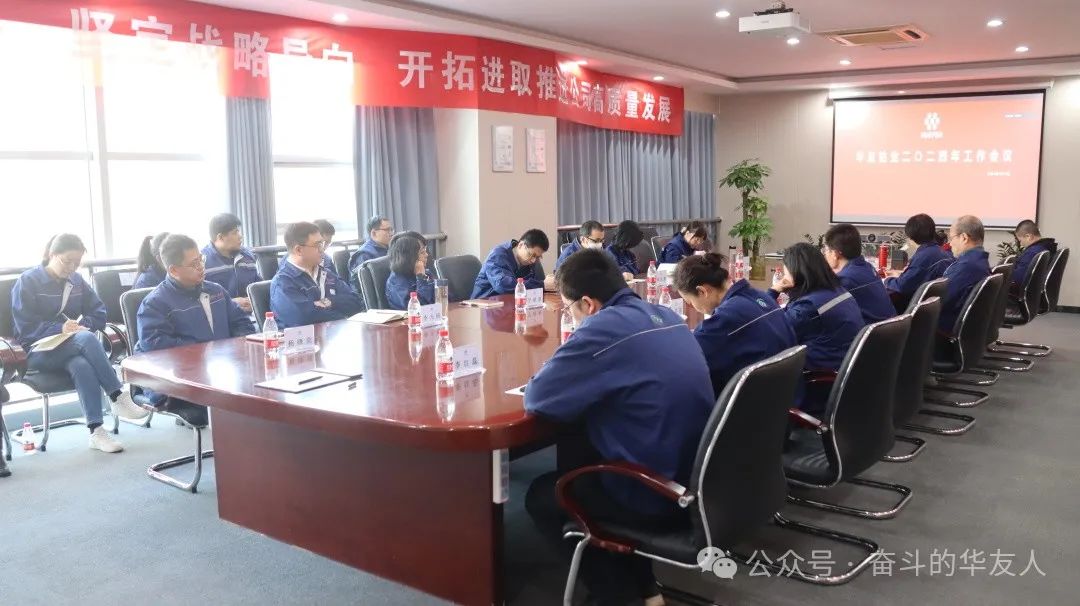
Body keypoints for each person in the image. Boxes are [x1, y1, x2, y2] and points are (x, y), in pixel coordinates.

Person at [523, 249, 713, 606]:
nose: (570, 316)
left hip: (654, 494)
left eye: (569, 309)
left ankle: (619, 596)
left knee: (543, 495)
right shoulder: (665, 315)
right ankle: (647, 588)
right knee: (586, 449)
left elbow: (538, 397)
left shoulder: (602, 329)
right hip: (696, 482)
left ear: (588, 304)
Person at [11, 234, 148, 453]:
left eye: (77, 263)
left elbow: (99, 311)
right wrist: (60, 329)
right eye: (67, 261)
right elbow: (25, 329)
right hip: (35, 352)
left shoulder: (75, 281)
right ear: (52, 254)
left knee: (81, 364)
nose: (72, 268)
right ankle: (117, 395)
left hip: (69, 346)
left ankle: (96, 432)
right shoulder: (28, 281)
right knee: (86, 339)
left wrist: (82, 325)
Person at [136, 235, 256, 425]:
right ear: (173, 270)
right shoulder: (155, 303)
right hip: (181, 382)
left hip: (221, 371)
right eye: (194, 264)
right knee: (236, 404)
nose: (201, 267)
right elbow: (157, 349)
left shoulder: (216, 290)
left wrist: (234, 349)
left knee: (260, 392)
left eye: (201, 259)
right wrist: (209, 351)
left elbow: (242, 324)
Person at [675, 253, 797, 398]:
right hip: (784, 396)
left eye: (689, 302)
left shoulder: (723, 322)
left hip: (755, 403)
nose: (692, 307)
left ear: (702, 291)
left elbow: (685, 361)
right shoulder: (761, 296)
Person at [771, 242, 865, 415]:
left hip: (819, 382)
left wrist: (773, 291)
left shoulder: (807, 307)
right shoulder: (837, 290)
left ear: (796, 272)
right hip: (846, 374)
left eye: (785, 270)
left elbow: (771, 330)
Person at [270, 222, 364, 328]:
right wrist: (342, 316)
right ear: (299, 250)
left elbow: (356, 303)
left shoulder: (326, 273)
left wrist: (329, 302)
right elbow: (305, 319)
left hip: (333, 333)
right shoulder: (283, 282)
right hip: (304, 338)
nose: (322, 249)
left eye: (322, 244)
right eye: (317, 245)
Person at [823, 224, 896, 324]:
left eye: (826, 250)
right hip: (890, 328)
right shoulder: (868, 267)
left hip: (870, 331)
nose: (825, 254)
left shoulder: (845, 279)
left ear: (835, 254)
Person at [883, 214, 954, 309]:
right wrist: (901, 275)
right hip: (935, 309)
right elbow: (915, 276)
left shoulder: (924, 257)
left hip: (913, 309)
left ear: (910, 237)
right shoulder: (941, 252)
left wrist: (887, 280)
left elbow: (902, 286)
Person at [939, 216, 991, 333]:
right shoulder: (979, 260)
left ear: (964, 238)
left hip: (944, 328)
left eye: (951, 238)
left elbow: (940, 300)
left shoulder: (967, 267)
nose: (949, 244)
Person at [470, 229, 556, 299]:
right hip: (483, 306)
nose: (534, 260)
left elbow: (534, 286)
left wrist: (550, 284)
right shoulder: (498, 255)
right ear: (521, 245)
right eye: (532, 255)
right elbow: (503, 286)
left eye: (537, 257)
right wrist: (542, 285)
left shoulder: (529, 262)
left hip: (511, 307)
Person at [201, 213, 259, 314]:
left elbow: (257, 286)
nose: (240, 236)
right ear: (220, 237)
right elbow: (198, 300)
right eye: (235, 232)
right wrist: (230, 303)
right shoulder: (202, 262)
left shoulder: (247, 256)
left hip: (251, 316)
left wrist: (255, 300)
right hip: (221, 317)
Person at [385, 234, 435, 310]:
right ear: (408, 257)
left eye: (425, 250)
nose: (427, 255)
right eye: (422, 252)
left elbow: (442, 297)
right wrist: (421, 278)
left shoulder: (426, 273)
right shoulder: (396, 282)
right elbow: (418, 308)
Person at [347, 216, 393, 292]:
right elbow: (364, 287)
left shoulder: (389, 248)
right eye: (387, 230)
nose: (391, 233)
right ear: (374, 233)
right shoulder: (364, 254)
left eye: (391, 229)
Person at [1011, 220, 1058, 291]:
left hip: (1021, 292)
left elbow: (1018, 278)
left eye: (1020, 240)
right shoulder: (1045, 248)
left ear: (1028, 236)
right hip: (1034, 291)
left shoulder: (1033, 252)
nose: (1020, 244)